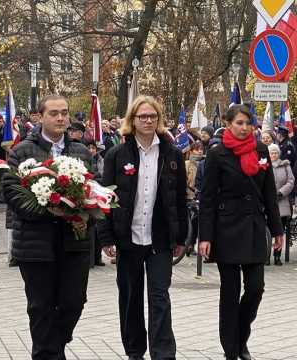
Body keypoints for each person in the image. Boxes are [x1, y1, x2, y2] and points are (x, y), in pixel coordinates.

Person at [98, 95, 188, 360]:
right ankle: (135, 351)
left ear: (159, 120)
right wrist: (106, 238)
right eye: (142, 116)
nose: (148, 121)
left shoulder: (172, 154)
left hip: (160, 239)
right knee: (130, 297)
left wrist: (181, 237)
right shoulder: (117, 154)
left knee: (159, 297)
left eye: (153, 116)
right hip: (128, 238)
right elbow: (106, 198)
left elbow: (180, 199)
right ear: (133, 120)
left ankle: (163, 353)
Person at [3, 94, 92, 360]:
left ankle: (53, 348)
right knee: (40, 306)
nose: (61, 118)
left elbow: (92, 191)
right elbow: (13, 194)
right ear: (40, 117)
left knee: (74, 302)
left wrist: (76, 205)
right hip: (35, 243)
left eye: (64, 112)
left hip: (73, 242)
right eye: (54, 113)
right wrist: (47, 208)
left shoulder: (81, 152)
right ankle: (46, 354)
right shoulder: (22, 151)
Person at [198, 104, 284, 360]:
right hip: (226, 230)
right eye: (239, 123)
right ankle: (231, 350)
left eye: (248, 123)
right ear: (228, 123)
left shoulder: (260, 150)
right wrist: (205, 236)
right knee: (230, 292)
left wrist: (277, 229)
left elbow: (269, 191)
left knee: (256, 288)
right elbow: (208, 198)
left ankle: (241, 334)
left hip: (255, 227)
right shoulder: (217, 153)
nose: (244, 128)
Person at [268, 143, 295, 266]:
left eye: (275, 153)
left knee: (279, 231)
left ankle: (277, 256)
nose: (273, 155)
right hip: (268, 202)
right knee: (267, 232)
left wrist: (280, 193)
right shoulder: (264, 165)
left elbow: (291, 181)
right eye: (271, 153)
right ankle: (266, 256)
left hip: (281, 202)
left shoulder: (285, 165)